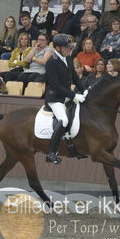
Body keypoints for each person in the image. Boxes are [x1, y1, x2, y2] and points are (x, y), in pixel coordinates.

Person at [44, 34, 86, 164]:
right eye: (66, 47)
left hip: (66, 96)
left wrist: (84, 91)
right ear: (58, 48)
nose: (69, 49)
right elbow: (55, 85)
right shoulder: (51, 62)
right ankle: (51, 153)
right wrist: (74, 95)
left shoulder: (68, 58)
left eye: (70, 47)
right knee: (64, 120)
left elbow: (74, 77)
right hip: (55, 97)